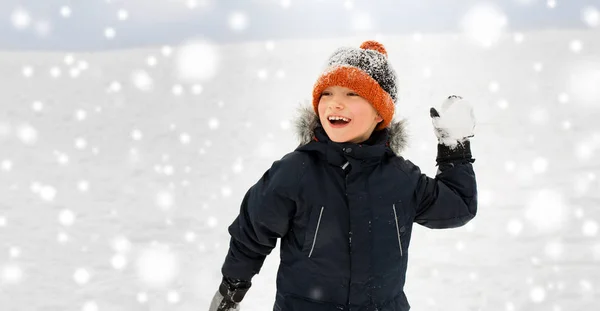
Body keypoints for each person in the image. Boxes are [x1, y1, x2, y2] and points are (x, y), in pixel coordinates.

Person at [209, 40, 478, 311]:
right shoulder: (296, 172)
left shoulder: (400, 178)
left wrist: (454, 148)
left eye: (352, 94)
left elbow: (458, 206)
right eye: (326, 93)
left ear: (379, 113)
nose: (335, 104)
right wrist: (231, 290)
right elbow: (252, 232)